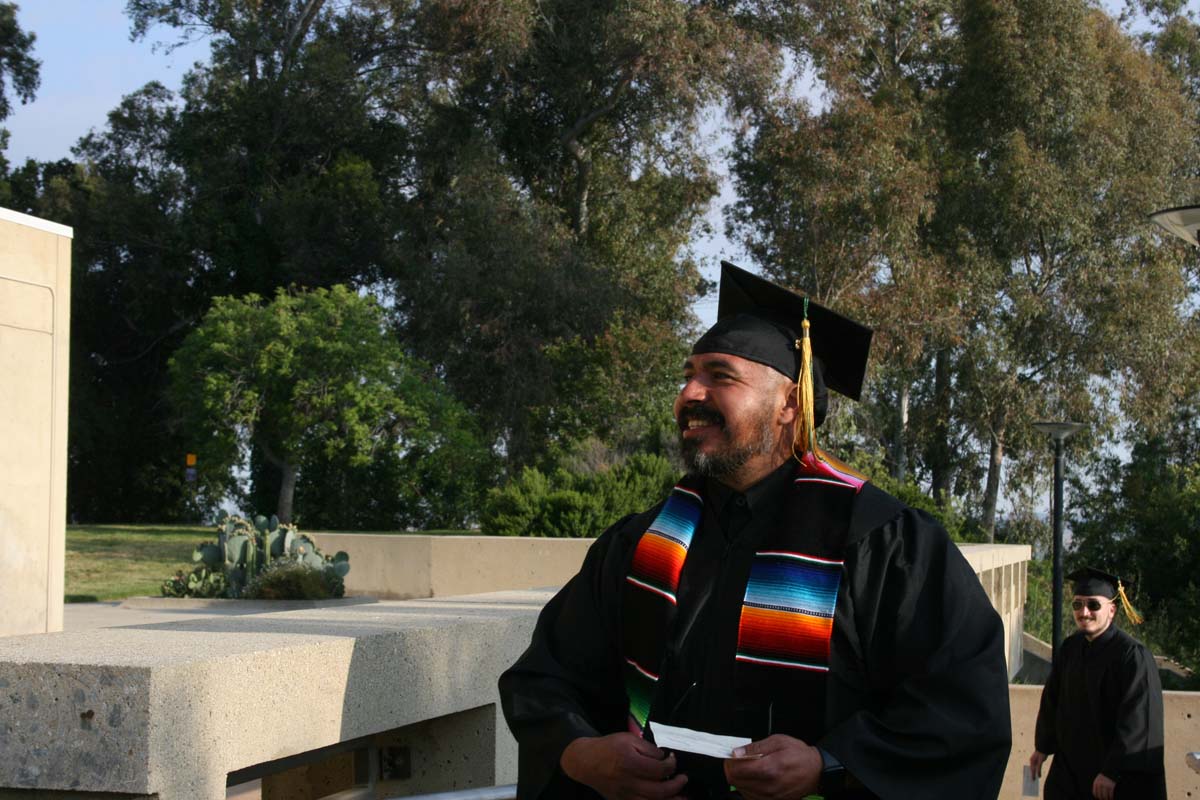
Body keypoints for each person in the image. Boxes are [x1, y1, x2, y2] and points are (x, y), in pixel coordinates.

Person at [499, 261, 1013, 799]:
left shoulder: (884, 545)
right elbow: (547, 678)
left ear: (791, 404)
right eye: (687, 374)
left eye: (720, 376)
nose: (689, 394)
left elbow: (960, 714)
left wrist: (827, 765)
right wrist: (581, 754)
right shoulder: (642, 543)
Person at [1030, 567, 1166, 800]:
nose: (1084, 612)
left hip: (1111, 779)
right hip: (1072, 771)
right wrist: (1042, 746)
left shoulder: (1132, 656)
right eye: (1077, 605)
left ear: (1112, 610)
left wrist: (1113, 771)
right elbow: (1052, 701)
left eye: (1093, 605)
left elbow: (1138, 721)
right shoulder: (1071, 648)